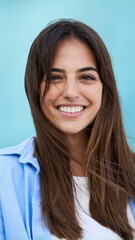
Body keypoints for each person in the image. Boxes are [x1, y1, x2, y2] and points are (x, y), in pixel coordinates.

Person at [0, 19, 135, 240]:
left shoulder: (131, 175)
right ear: (35, 87)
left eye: (86, 77)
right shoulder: (4, 178)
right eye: (55, 77)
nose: (71, 92)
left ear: (105, 89)